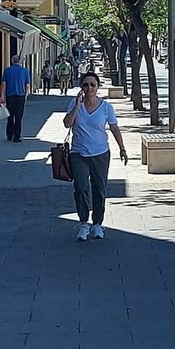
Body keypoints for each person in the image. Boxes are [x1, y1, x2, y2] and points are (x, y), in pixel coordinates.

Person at [63, 70, 129, 241]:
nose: (89, 88)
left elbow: (114, 128)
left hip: (100, 154)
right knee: (81, 187)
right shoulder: (74, 103)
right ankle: (84, 222)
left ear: (98, 86)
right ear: (81, 87)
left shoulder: (106, 107)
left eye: (93, 84)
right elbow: (66, 124)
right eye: (86, 85)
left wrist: (122, 148)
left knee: (99, 189)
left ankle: (98, 224)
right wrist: (77, 106)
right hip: (78, 153)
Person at [1, 53, 31, 142]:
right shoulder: (25, 71)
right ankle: (17, 136)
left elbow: (4, 84)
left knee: (10, 116)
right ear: (20, 61)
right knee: (18, 117)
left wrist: (2, 96)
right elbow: (27, 85)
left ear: (12, 61)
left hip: (10, 95)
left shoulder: (7, 71)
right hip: (20, 95)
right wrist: (26, 96)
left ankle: (9, 135)